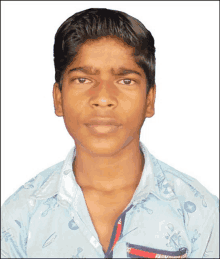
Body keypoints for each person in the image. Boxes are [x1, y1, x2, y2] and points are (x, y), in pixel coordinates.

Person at [1, 8, 219, 259]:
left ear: (150, 99)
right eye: (82, 80)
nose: (103, 98)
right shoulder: (20, 217)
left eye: (125, 81)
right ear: (58, 98)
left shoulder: (199, 213)